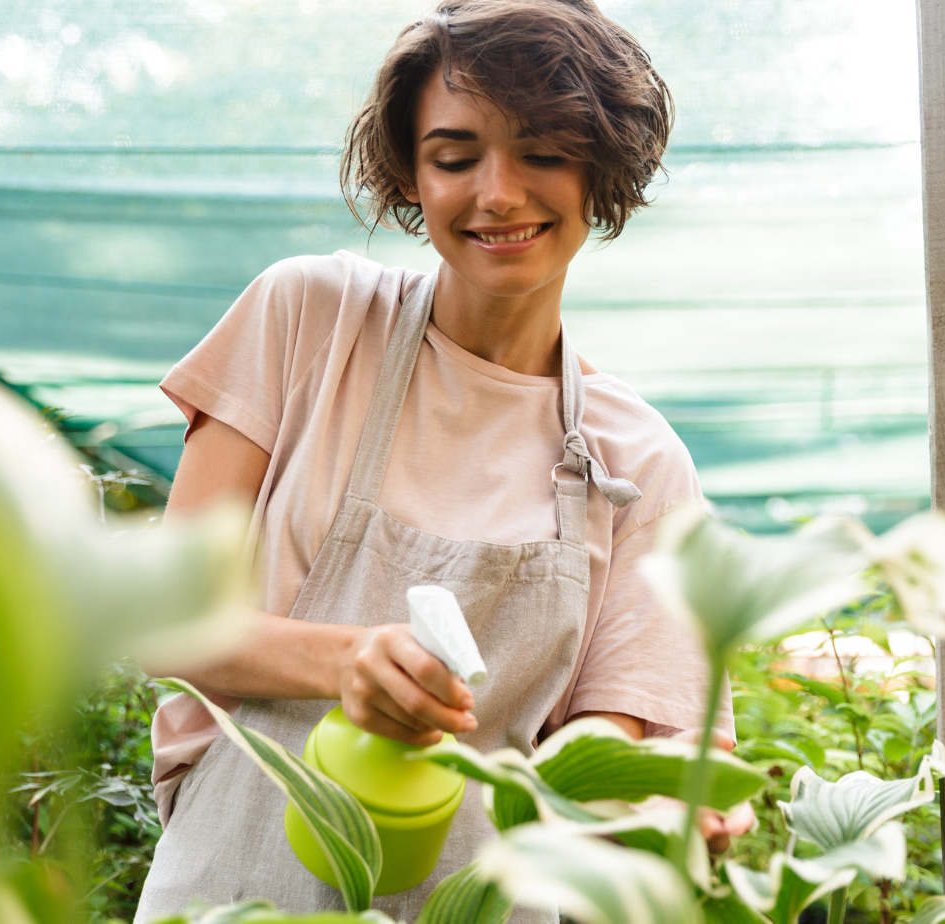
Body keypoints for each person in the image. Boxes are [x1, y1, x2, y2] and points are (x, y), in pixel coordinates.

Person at [133, 1, 746, 920]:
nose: (497, 193)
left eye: (542, 150)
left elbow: (609, 749)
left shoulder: (638, 461)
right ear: (412, 176)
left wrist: (655, 810)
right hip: (237, 877)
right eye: (456, 158)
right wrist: (345, 662)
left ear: (600, 169)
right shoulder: (312, 321)